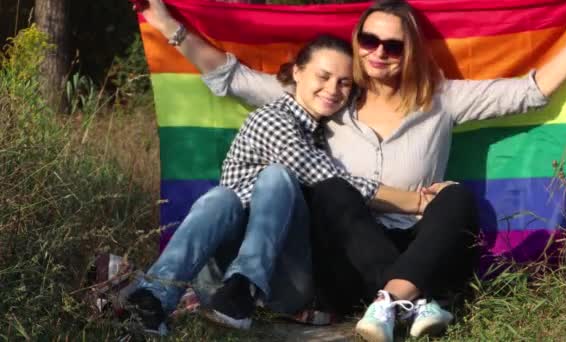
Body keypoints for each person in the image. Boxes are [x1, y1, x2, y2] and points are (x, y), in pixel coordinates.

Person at [136, 0, 566, 339]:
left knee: (457, 196)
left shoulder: (441, 101)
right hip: (346, 257)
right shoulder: (331, 100)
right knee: (335, 192)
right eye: (370, 40)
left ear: (410, 51)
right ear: (358, 45)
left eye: (393, 45)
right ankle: (408, 305)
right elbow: (232, 77)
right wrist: (165, 22)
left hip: (422, 253)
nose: (379, 52)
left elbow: (530, 91)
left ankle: (395, 298)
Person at [125, 32, 436, 336]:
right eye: (323, 76)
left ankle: (237, 288)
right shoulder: (272, 119)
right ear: (297, 72)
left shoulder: (327, 133)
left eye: (344, 82)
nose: (333, 89)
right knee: (228, 196)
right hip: (225, 278)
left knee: (250, 187)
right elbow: (318, 172)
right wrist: (417, 201)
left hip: (284, 281)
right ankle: (155, 296)